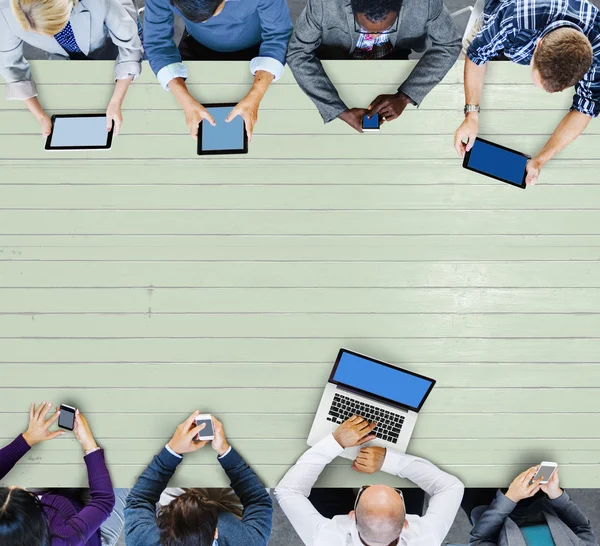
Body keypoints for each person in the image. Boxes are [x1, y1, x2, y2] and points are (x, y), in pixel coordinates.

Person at [454, 0, 599, 185]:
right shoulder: (517, 20)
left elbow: (585, 108)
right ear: (538, 45)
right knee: (460, 67)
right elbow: (476, 55)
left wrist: (540, 160)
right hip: (499, 15)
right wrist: (471, 114)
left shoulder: (598, 49)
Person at [275, 415, 464, 546]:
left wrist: (337, 441)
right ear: (406, 523)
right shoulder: (426, 538)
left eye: (365, 490)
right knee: (410, 481)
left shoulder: (326, 538)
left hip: (340, 526)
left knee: (322, 485)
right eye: (394, 493)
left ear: (351, 515)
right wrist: (388, 461)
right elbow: (451, 487)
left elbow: (287, 491)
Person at [286, 0, 461, 133]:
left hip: (394, 60)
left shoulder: (425, 3)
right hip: (335, 62)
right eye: (366, 28)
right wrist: (338, 111)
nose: (374, 35)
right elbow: (297, 52)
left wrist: (406, 96)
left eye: (384, 28)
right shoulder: (324, 4)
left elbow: (449, 45)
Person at [143, 0, 292, 140]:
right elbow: (157, 43)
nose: (206, 23)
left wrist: (257, 93)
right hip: (195, 44)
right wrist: (183, 98)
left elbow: (278, 35)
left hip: (259, 47)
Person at [124, 410, 273, 546]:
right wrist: (225, 451)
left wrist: (172, 450)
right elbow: (259, 501)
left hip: (178, 505)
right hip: (233, 512)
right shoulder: (248, 542)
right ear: (216, 532)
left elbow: (139, 500)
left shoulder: (141, 541)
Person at [0, 0, 143, 138]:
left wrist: (116, 101)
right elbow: (10, 66)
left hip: (112, 26)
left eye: (54, 28)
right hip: (64, 55)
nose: (48, 36)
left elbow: (129, 48)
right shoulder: (5, 10)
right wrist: (41, 117)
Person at [0, 401, 125, 546]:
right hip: (90, 534)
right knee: (125, 473)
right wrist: (88, 444)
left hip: (58, 505)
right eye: (21, 492)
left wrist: (27, 439)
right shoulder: (64, 539)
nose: (14, 486)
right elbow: (104, 500)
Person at [463, 466, 597, 545]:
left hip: (490, 506)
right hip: (540, 496)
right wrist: (556, 494)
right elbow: (581, 527)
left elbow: (481, 538)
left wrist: (510, 498)